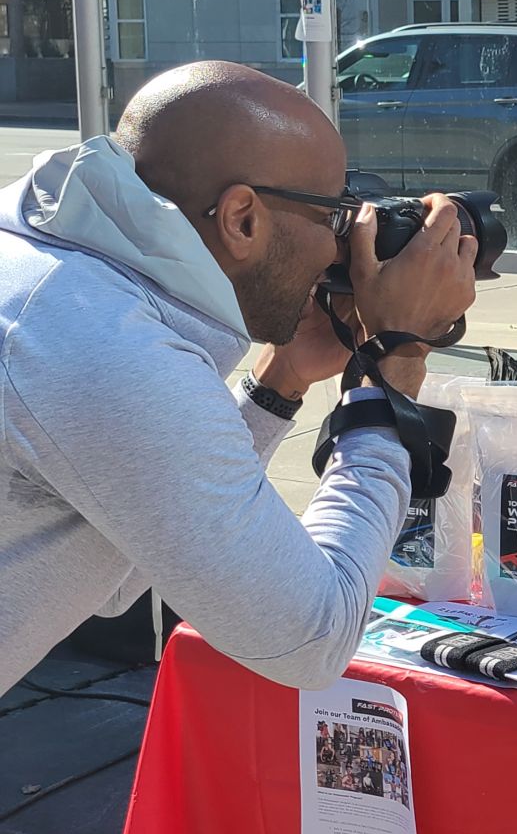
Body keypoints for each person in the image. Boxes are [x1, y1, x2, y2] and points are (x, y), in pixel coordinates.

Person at [0, 61, 478, 695]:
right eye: (335, 217)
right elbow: (310, 639)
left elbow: (123, 570)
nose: (341, 250)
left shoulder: (58, 271)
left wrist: (280, 381)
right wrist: (392, 369)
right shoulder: (110, 349)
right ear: (242, 219)